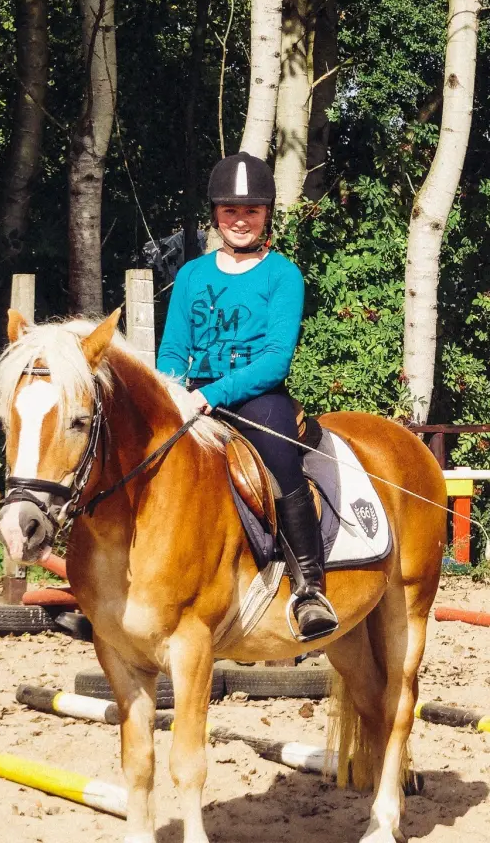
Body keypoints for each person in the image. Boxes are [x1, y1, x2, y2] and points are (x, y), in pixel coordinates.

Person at [157, 151, 338, 641]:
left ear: (266, 215)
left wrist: (209, 395)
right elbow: (173, 348)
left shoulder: (283, 275)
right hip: (191, 395)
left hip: (258, 397)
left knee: (280, 459)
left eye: (251, 211)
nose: (240, 220)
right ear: (216, 214)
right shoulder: (192, 275)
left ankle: (309, 588)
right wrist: (169, 388)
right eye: (230, 211)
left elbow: (276, 360)